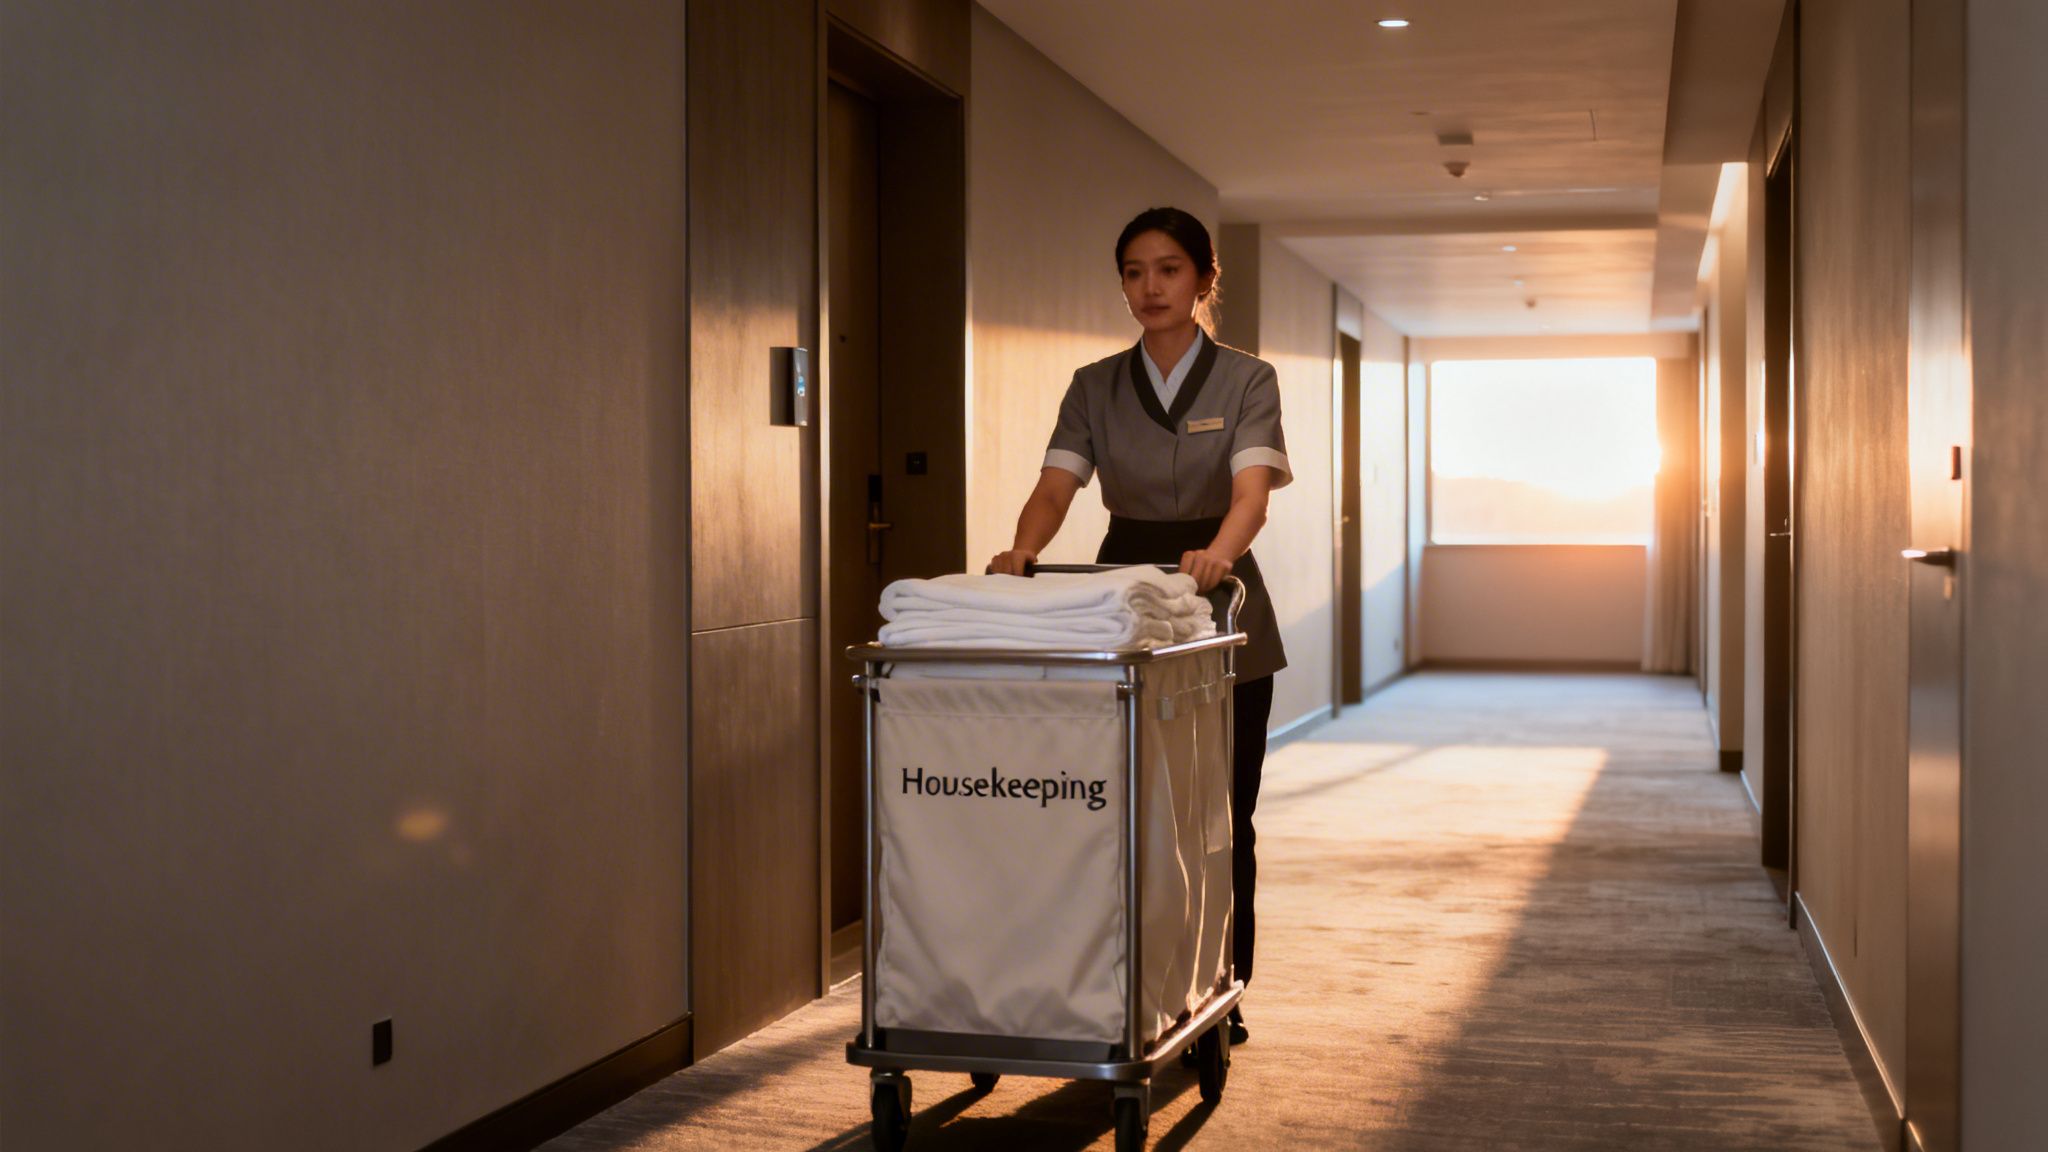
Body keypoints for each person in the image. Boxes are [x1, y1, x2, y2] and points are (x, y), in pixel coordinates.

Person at [988, 206, 1289, 1046]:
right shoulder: (1094, 385)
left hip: (1220, 598)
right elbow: (1056, 486)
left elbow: (1252, 495)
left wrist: (1217, 556)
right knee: (1125, 810)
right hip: (1123, 596)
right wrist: (1022, 549)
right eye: (1132, 272)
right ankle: (1128, 986)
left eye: (1167, 270)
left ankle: (1224, 984)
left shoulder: (1246, 379)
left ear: (1202, 280)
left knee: (1223, 809)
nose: (1149, 287)